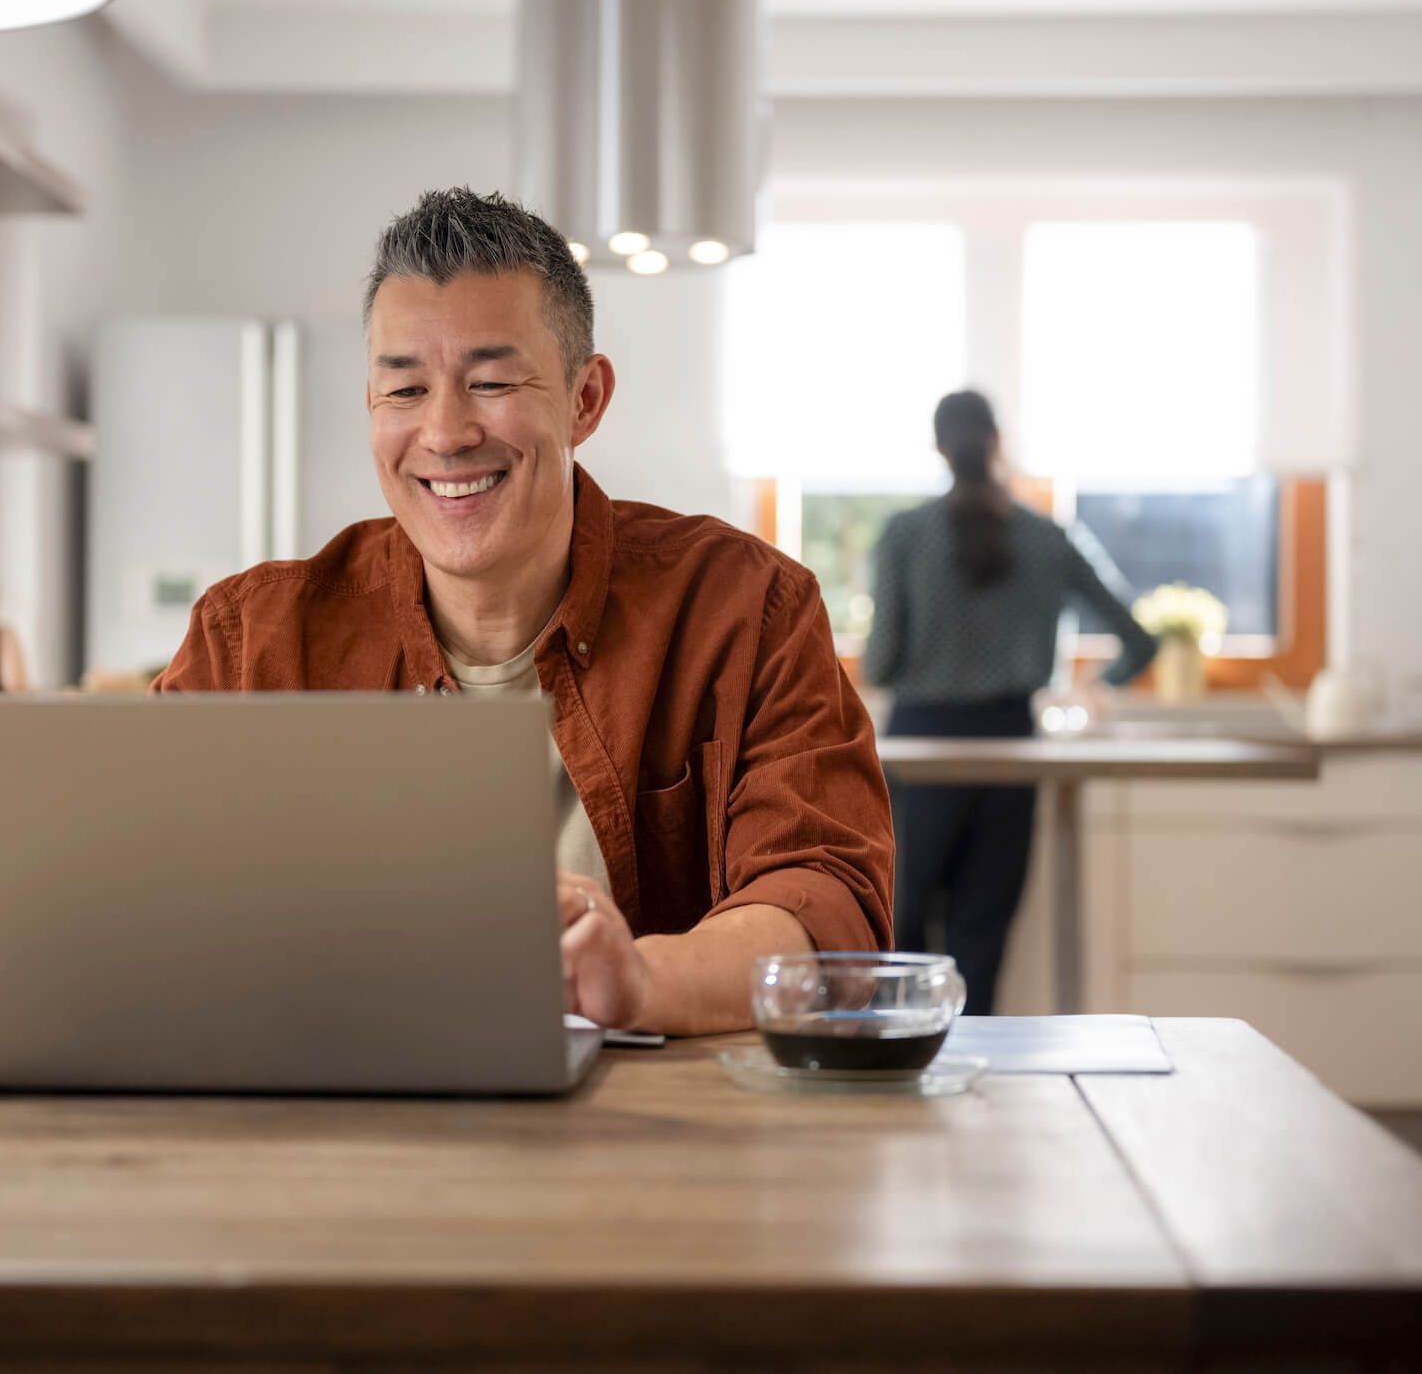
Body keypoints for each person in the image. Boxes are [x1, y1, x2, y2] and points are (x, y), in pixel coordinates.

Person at [154, 188, 892, 1035]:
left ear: (585, 400)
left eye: (491, 381)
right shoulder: (249, 641)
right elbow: (135, 896)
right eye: (404, 390)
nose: (444, 431)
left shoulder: (747, 609)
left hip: (663, 1142)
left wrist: (640, 979)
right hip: (334, 1137)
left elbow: (828, 911)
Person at [864, 390, 1156, 1016]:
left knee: (901, 923)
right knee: (983, 931)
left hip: (919, 746)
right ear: (998, 442)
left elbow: (881, 663)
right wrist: (1095, 688)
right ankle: (974, 1086)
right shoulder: (1048, 538)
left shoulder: (904, 536)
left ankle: (896, 1072)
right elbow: (1139, 641)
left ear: (939, 447)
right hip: (1011, 746)